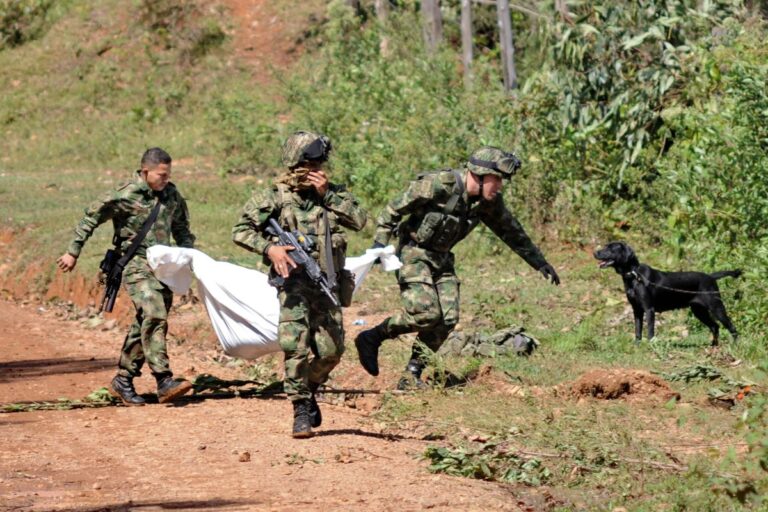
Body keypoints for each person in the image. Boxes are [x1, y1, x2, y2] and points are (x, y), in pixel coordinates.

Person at [355, 146, 560, 389]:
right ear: (480, 174)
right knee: (427, 314)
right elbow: (392, 210)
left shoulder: (487, 202)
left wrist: (540, 263)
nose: (500, 187)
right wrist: (380, 243)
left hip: (442, 259)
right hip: (413, 253)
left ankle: (411, 374)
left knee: (448, 319)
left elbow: (511, 232)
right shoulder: (440, 184)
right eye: (497, 180)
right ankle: (372, 337)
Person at [232, 131, 367, 438]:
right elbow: (240, 230)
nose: (317, 168)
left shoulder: (333, 194)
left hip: (327, 284)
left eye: (320, 162)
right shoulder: (275, 197)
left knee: (332, 351)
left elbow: (359, 220)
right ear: (296, 163)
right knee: (295, 347)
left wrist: (328, 195)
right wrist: (271, 249)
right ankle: (300, 410)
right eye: (310, 162)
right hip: (293, 286)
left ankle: (309, 387)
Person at [57, 147, 196, 406]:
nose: (165, 179)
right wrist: (72, 252)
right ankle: (164, 380)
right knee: (155, 314)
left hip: (163, 268)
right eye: (161, 175)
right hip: (134, 265)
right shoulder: (125, 195)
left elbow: (182, 229)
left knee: (148, 319)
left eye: (168, 175)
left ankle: (123, 379)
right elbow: (90, 219)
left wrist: (191, 258)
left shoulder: (172, 195)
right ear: (145, 172)